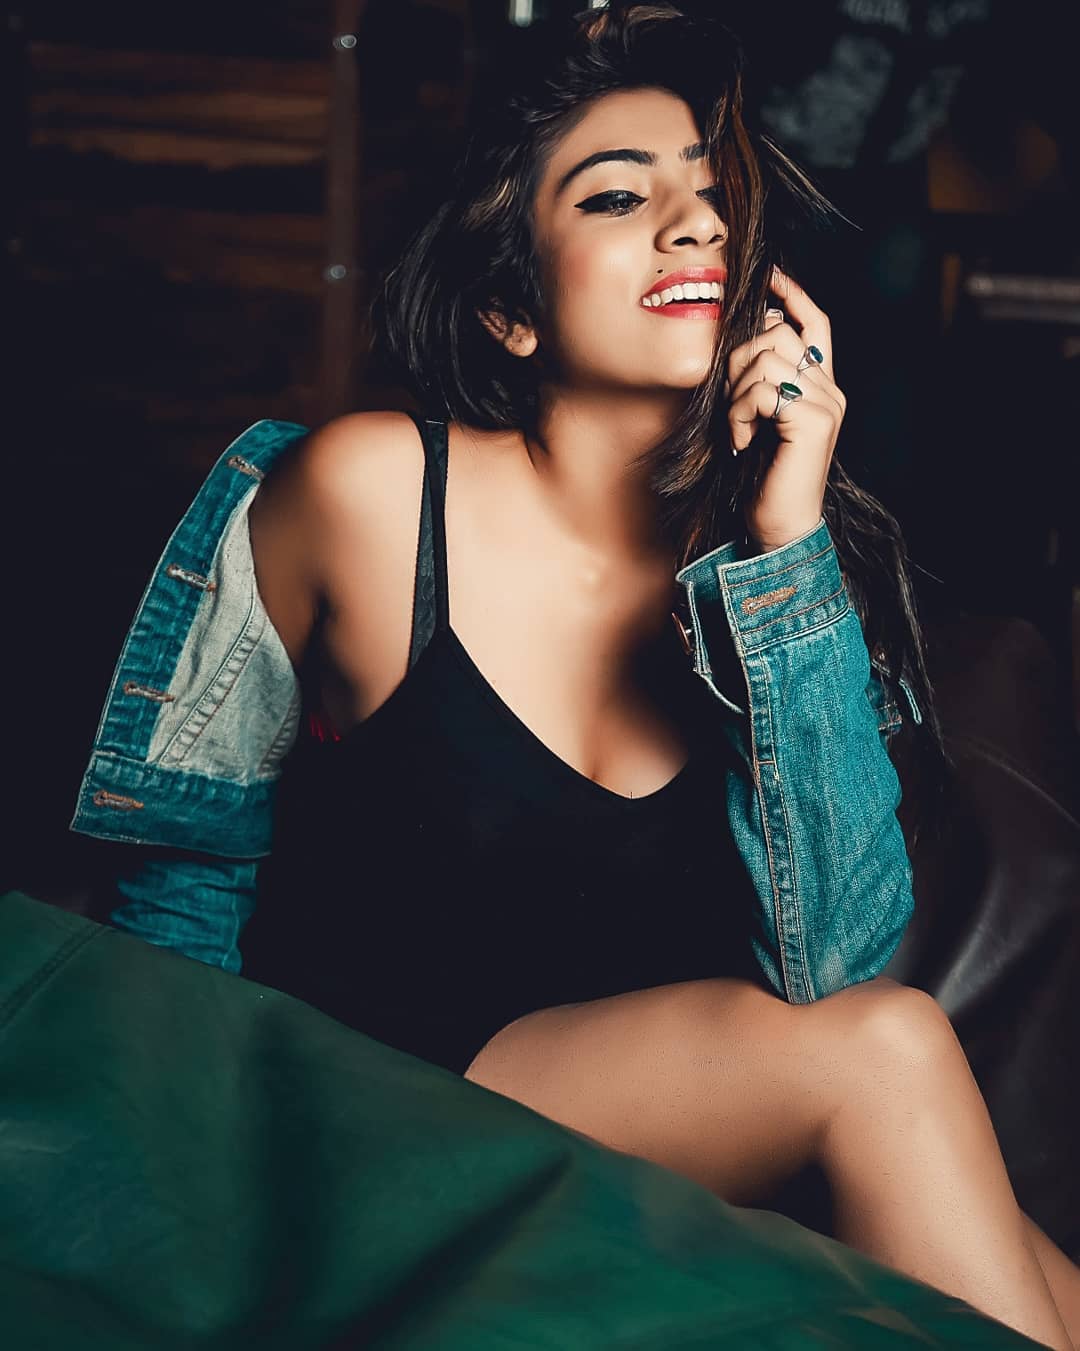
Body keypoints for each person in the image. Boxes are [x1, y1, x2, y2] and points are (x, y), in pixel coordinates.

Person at [70, 3, 1079, 1345]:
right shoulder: (373, 492)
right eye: (617, 196)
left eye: (715, 200)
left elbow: (831, 959)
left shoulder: (777, 572)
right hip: (376, 1111)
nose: (695, 226)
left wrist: (786, 544)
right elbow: (181, 872)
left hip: (652, 1151)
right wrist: (179, 1216)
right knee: (886, 1053)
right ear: (510, 310)